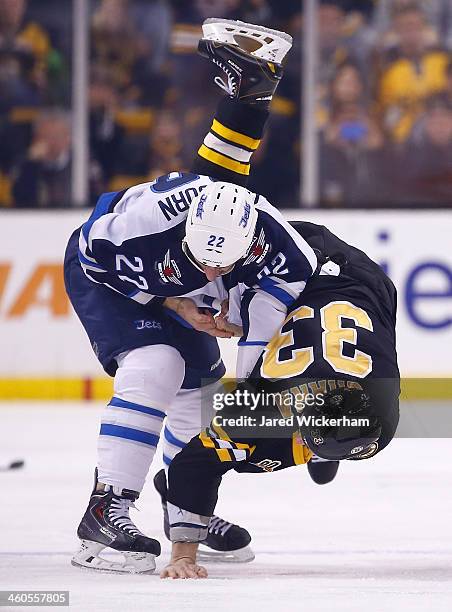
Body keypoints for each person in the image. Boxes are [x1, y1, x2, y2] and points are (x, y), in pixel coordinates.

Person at [65, 19, 319, 574]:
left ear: (252, 236)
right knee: (156, 363)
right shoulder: (138, 224)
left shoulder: (287, 251)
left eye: (223, 262)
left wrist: (248, 367)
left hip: (184, 285)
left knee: (201, 389)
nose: (211, 268)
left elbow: (259, 337)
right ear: (187, 228)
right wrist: (175, 304)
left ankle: (185, 505)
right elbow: (92, 261)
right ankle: (105, 511)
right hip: (111, 277)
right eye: (202, 257)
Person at [161, 220, 400, 579]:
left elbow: (195, 466)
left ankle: (324, 446)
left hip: (362, 282)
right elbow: (189, 466)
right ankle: (323, 447)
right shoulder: (258, 408)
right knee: (210, 298)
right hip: (294, 260)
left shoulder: (378, 414)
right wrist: (182, 553)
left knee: (244, 451)